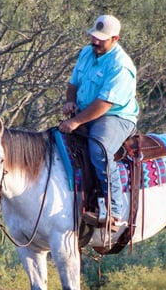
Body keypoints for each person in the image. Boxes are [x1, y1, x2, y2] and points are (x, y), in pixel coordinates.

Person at [58, 14, 139, 232]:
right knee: (57, 141)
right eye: (94, 37)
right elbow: (73, 84)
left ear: (116, 39)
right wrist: (70, 102)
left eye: (101, 39)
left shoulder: (121, 66)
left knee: (99, 148)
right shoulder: (86, 53)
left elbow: (104, 104)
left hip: (115, 116)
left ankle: (114, 210)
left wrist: (75, 122)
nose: (95, 42)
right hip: (86, 111)